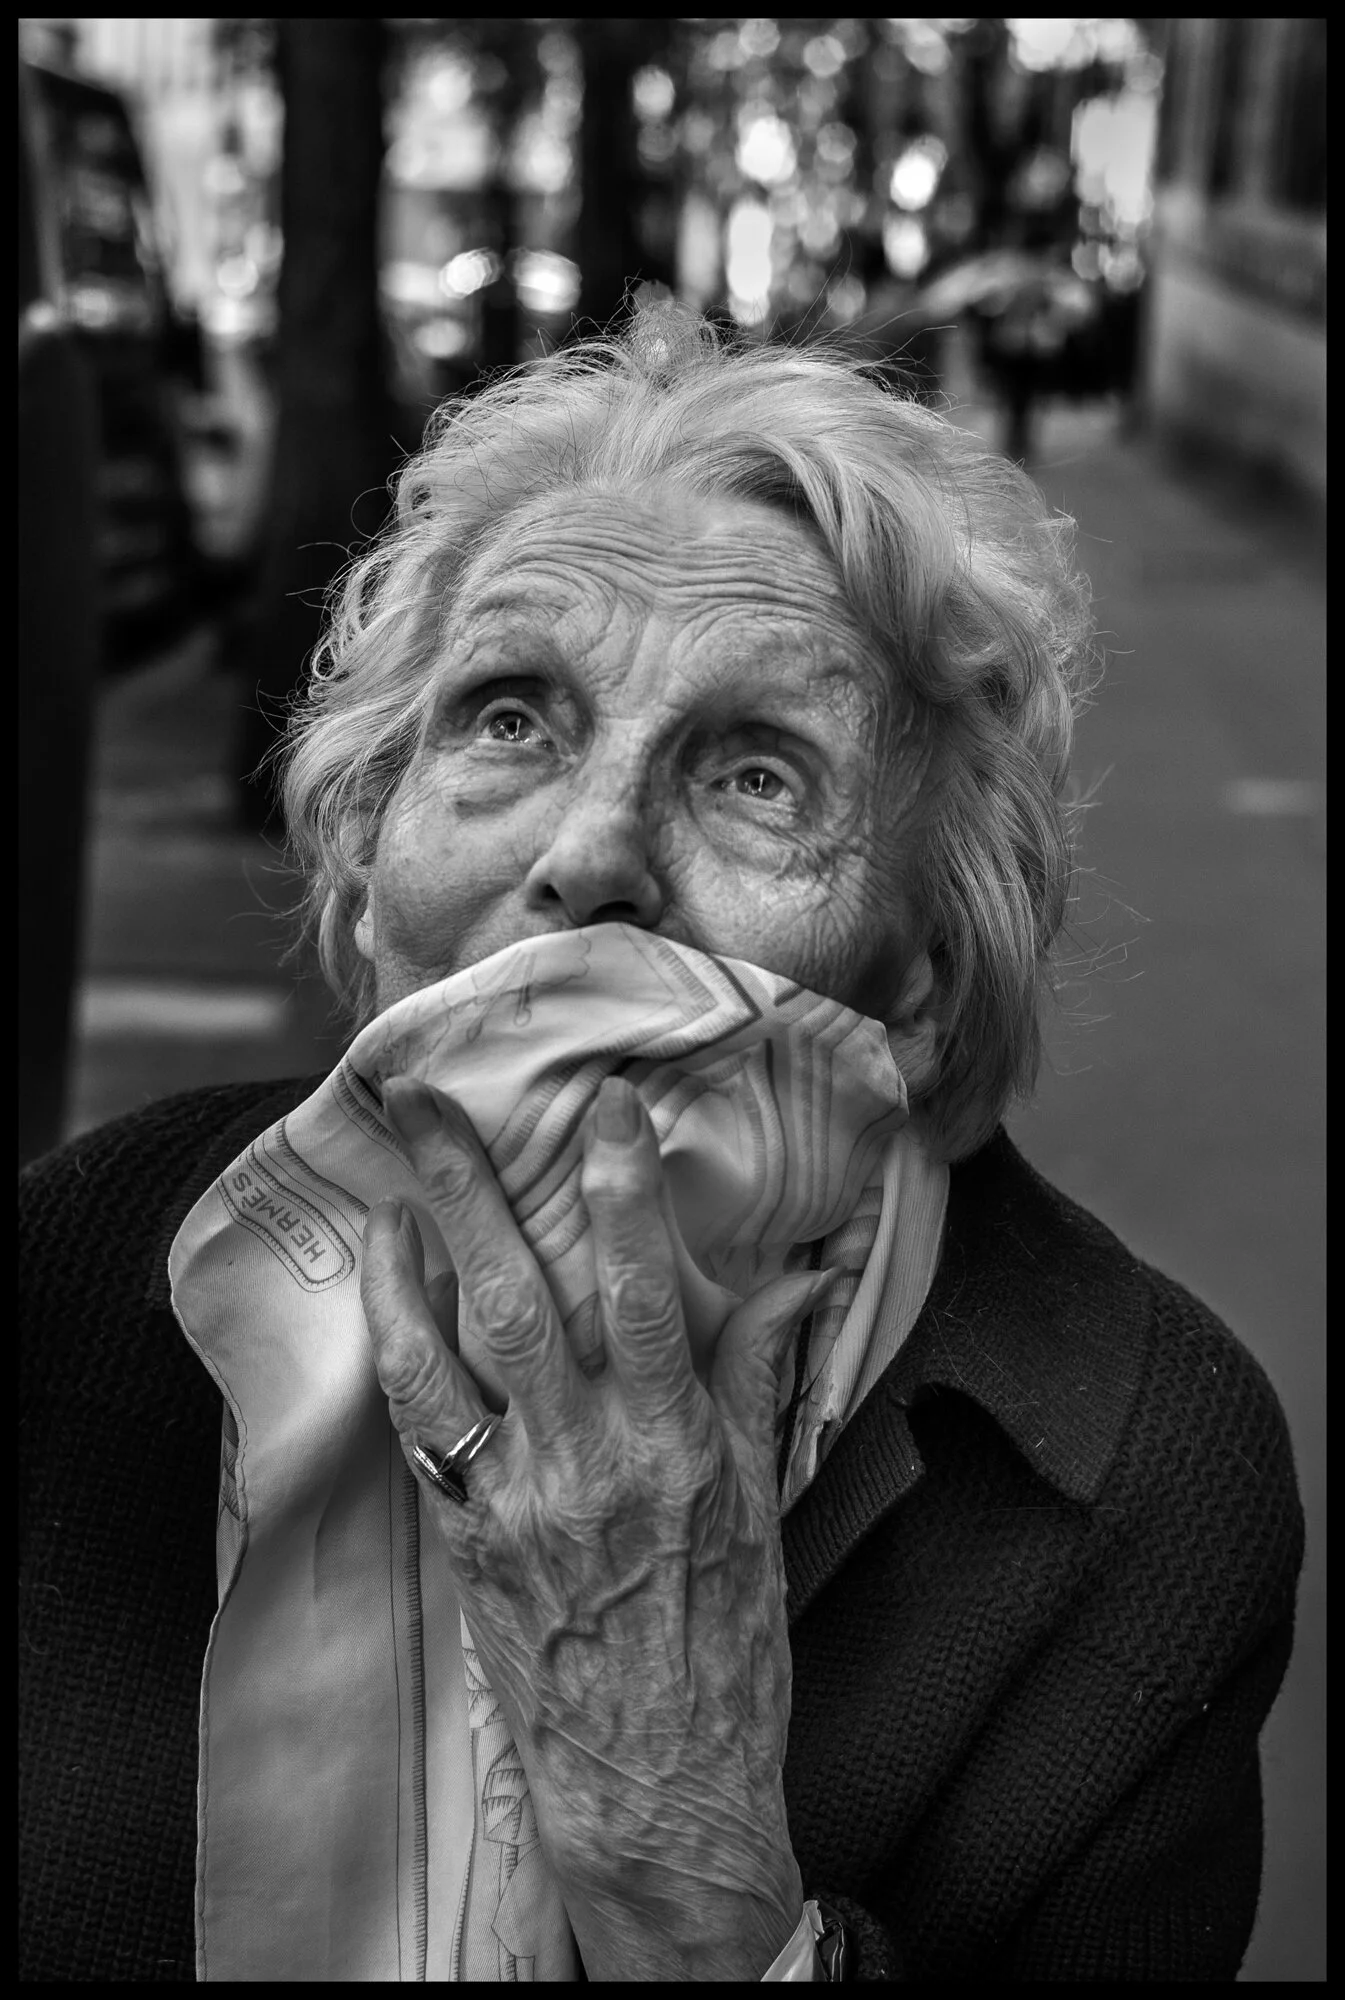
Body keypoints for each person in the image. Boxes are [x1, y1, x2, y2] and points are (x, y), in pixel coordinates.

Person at [20, 303, 1303, 1983]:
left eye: (759, 775)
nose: (593, 851)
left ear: (922, 974)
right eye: (509, 720)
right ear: (370, 834)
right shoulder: (74, 1270)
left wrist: (688, 1855)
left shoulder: (1128, 1468)